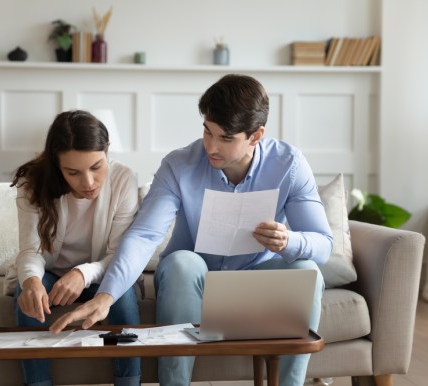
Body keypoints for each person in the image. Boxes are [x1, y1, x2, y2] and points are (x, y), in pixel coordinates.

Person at [49, 75, 334, 386]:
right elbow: (145, 235)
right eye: (207, 131)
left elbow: (323, 245)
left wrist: (289, 240)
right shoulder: (179, 164)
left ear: (256, 136)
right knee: (182, 262)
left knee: (307, 270)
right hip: (192, 281)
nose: (210, 146)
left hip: (257, 281)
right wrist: (106, 295)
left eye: (226, 138)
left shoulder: (289, 165)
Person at [7, 110, 141, 386]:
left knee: (123, 293)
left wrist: (82, 273)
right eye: (73, 172)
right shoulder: (33, 183)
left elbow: (119, 255)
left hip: (100, 272)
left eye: (96, 167)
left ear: (107, 152)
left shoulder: (123, 179)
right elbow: (30, 251)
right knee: (27, 291)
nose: (88, 183)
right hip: (51, 273)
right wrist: (32, 281)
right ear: (57, 166)